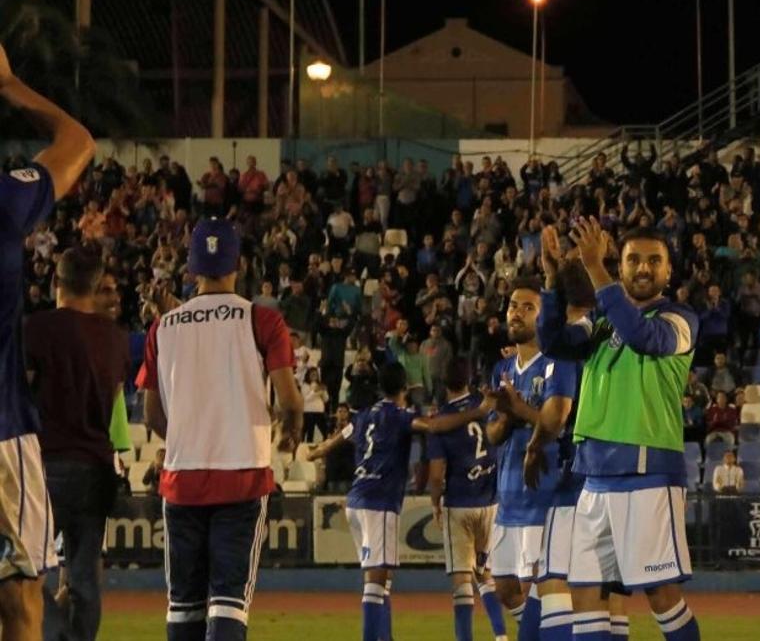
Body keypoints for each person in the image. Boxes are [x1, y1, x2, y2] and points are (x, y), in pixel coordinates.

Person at [139, 218, 303, 641]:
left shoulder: (163, 327)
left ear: (191, 269)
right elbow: (289, 400)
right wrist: (290, 426)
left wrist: (189, 433)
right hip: (243, 478)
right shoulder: (263, 321)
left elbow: (153, 415)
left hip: (181, 480)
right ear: (240, 264)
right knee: (229, 601)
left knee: (183, 605)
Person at [537, 221, 703, 641]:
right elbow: (555, 343)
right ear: (622, 267)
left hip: (645, 471)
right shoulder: (601, 320)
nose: (643, 268)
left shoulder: (679, 319)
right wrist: (554, 282)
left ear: (669, 272)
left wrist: (596, 270)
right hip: (594, 475)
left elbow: (645, 338)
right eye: (633, 260)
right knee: (587, 593)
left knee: (661, 594)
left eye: (654, 261)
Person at [0, 42, 97, 640]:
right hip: (3, 436)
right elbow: (78, 143)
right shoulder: (7, 201)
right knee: (21, 601)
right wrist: (9, 84)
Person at [24, 248, 129, 641]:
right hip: (97, 467)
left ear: (56, 282)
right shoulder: (116, 339)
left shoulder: (37, 328)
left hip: (45, 464)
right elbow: (115, 394)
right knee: (85, 575)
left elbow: (21, 388)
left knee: (23, 569)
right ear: (95, 283)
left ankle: (54, 634)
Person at [523, 259, 631, 641]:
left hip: (576, 482)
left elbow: (557, 412)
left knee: (557, 582)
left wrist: (534, 448)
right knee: (608, 593)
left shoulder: (571, 341)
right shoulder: (616, 331)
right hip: (618, 476)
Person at [485, 279, 578, 641]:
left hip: (543, 493)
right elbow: (493, 434)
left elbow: (557, 421)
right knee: (505, 589)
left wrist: (518, 408)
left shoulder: (556, 362)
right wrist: (507, 415)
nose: (516, 312)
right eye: (512, 305)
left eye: (527, 307)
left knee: (539, 586)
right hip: (507, 497)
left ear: (544, 316)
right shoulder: (502, 369)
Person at [305, 363, 412, 641]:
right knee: (375, 582)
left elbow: (336, 439)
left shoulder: (363, 416)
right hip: (380, 500)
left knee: (381, 578)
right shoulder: (402, 416)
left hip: (356, 499)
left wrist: (317, 452)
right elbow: (430, 425)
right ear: (405, 388)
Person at [422, 359, 508, 641]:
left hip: (459, 504)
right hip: (490, 501)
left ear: (443, 384)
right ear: (469, 379)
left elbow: (436, 475)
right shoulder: (487, 404)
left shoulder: (442, 419)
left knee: (461, 580)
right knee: (486, 574)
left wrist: (435, 503)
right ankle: (501, 636)